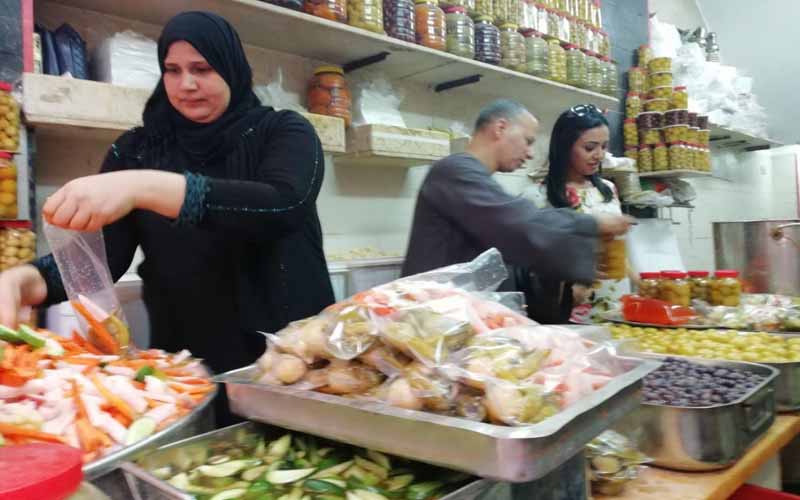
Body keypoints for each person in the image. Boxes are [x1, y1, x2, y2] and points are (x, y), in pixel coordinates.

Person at [0, 12, 334, 422]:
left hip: (289, 358)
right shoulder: (136, 150)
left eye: (202, 69)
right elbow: (102, 258)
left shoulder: (284, 132)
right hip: (188, 367)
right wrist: (24, 279)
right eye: (172, 70)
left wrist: (142, 187)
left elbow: (282, 205)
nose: (185, 84)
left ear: (231, 67)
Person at [402, 99, 633, 294]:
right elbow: (518, 222)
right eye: (528, 141)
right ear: (500, 128)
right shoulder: (454, 171)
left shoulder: (471, 176)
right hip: (434, 311)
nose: (530, 153)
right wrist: (593, 224)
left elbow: (508, 247)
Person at [525, 104, 631, 323]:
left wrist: (640, 284)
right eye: (590, 147)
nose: (599, 155)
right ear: (565, 146)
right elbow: (532, 261)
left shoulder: (608, 189)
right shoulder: (537, 195)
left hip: (615, 301)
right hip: (571, 304)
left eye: (604, 146)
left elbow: (617, 248)